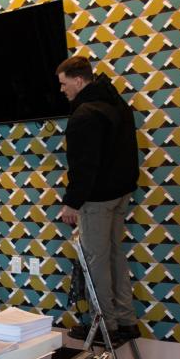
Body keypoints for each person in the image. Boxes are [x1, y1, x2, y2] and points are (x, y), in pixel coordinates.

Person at [56, 55, 140, 343]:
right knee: (115, 256)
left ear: (79, 80)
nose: (62, 90)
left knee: (95, 262)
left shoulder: (84, 115)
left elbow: (84, 165)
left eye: (64, 83)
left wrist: (72, 202)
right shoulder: (117, 104)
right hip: (122, 194)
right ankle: (126, 320)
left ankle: (105, 325)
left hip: (98, 198)